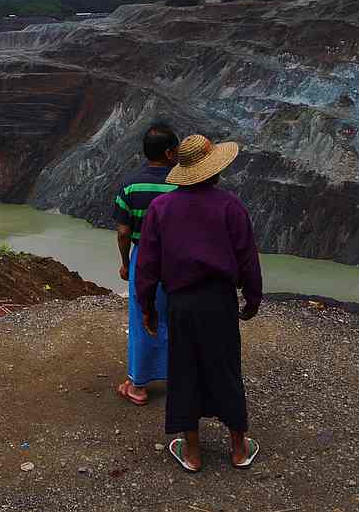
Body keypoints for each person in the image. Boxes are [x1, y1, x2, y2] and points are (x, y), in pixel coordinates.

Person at [135, 134, 262, 472]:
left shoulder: (160, 209)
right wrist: (253, 296)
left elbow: (147, 264)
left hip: (181, 302)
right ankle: (238, 448)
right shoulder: (230, 206)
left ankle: (192, 453)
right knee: (225, 368)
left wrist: (146, 306)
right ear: (215, 170)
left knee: (184, 369)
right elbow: (247, 257)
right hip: (219, 301)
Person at [112, 122, 179, 406]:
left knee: (143, 318)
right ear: (168, 153)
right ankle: (177, 376)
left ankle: (138, 385)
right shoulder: (181, 184)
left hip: (145, 258)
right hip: (177, 258)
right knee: (175, 317)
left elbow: (123, 231)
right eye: (175, 150)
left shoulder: (130, 185)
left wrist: (126, 263)